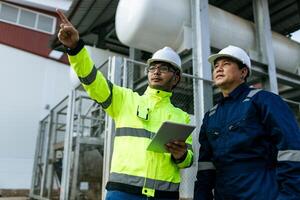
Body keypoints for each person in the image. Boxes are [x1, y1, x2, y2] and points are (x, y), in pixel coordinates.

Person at [56, 9, 193, 200]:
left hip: (165, 195)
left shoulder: (182, 116)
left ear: (176, 77)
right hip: (123, 193)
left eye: (164, 68)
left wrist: (182, 155)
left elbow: (188, 160)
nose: (156, 71)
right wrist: (76, 48)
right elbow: (92, 81)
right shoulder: (125, 99)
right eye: (152, 67)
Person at [194, 45, 300, 199]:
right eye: (216, 66)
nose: (219, 69)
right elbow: (205, 165)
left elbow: (292, 150)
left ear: (243, 72)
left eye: (226, 64)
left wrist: (289, 196)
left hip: (261, 193)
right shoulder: (211, 116)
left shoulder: (264, 100)